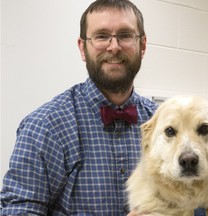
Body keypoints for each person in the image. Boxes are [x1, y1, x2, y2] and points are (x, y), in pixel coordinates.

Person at [0, 0, 157, 215]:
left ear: (143, 45)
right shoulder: (44, 127)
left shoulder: (161, 122)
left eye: (125, 35)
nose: (114, 46)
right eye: (101, 36)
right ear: (83, 47)